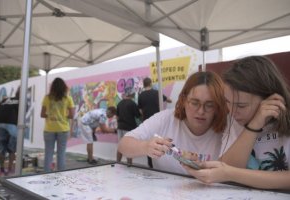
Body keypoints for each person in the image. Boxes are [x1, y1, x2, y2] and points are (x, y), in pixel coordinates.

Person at [184, 56, 290, 190]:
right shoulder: (235, 121)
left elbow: (228, 172)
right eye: (227, 102)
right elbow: (226, 167)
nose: (232, 112)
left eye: (241, 105)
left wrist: (231, 174)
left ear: (270, 98)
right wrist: (254, 126)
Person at [118, 71, 234, 174]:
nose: (201, 111)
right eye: (194, 103)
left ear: (218, 106)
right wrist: (145, 147)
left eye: (210, 105)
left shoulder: (228, 126)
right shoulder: (165, 119)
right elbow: (123, 145)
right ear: (183, 100)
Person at [41, 77, 75, 172]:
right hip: (63, 129)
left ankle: (46, 175)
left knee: (48, 153)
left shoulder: (47, 97)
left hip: (49, 129)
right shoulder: (68, 98)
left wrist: (51, 115)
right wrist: (62, 116)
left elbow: (42, 114)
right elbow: (72, 115)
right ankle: (60, 176)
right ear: (64, 87)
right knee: (61, 154)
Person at [138, 77, 172, 168]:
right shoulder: (156, 93)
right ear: (151, 83)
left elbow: (140, 111)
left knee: (149, 145)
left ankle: (150, 165)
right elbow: (169, 100)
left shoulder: (141, 95)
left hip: (146, 123)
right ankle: (160, 166)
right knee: (160, 143)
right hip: (158, 123)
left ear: (144, 84)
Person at [0, 88, 20, 176]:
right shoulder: (21, 101)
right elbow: (21, 117)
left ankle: (2, 170)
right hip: (11, 124)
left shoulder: (6, 99)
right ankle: (10, 169)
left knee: (2, 147)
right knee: (12, 148)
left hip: (0, 123)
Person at [116, 87, 141, 165]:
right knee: (128, 146)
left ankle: (118, 162)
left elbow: (117, 116)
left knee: (120, 145)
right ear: (132, 94)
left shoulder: (120, 103)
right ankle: (129, 164)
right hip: (129, 127)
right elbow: (138, 116)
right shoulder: (132, 103)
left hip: (120, 127)